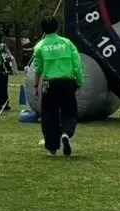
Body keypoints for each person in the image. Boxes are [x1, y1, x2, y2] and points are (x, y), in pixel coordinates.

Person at [32, 17, 85, 157]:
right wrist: (79, 81)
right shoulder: (67, 43)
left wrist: (36, 86)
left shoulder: (39, 46)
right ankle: (66, 133)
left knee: (49, 114)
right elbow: (77, 64)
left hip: (49, 83)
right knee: (70, 111)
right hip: (67, 82)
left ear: (42, 29)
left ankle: (52, 147)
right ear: (57, 27)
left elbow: (38, 69)